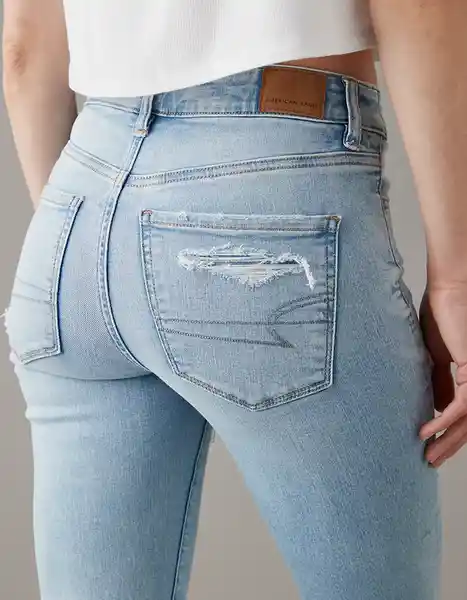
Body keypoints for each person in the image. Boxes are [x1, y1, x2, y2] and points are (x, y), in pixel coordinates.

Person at [2, 0, 466, 598]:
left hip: (77, 205)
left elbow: (23, 50)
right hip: (274, 170)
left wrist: (88, 251)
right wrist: (455, 280)